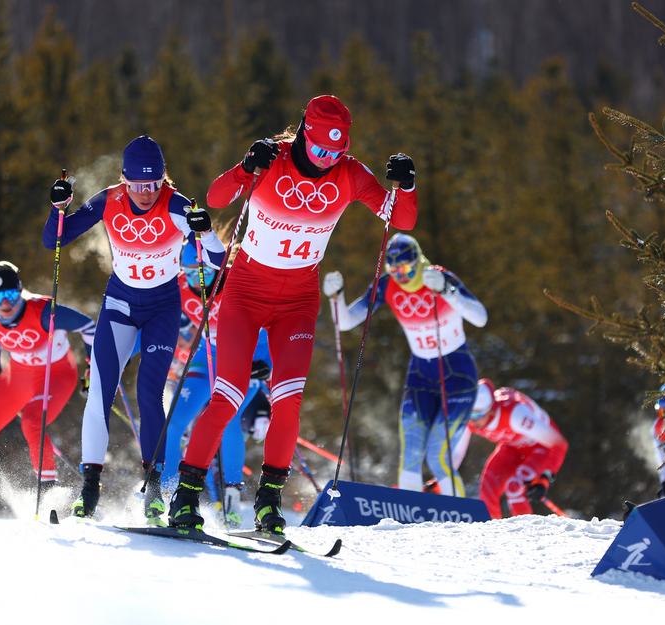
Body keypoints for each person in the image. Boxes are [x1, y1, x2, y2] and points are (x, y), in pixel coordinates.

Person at [167, 94, 419, 533]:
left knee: (288, 402)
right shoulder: (273, 159)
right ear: (303, 134)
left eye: (335, 153)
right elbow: (216, 196)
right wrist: (246, 166)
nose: (326, 161)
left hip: (299, 299)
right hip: (245, 290)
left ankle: (268, 502)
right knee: (227, 396)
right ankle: (185, 496)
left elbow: (402, 219)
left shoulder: (351, 173)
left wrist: (407, 186)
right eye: (320, 150)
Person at [43, 135, 225, 525]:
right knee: (100, 394)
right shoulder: (109, 200)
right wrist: (58, 208)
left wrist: (205, 231)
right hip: (120, 305)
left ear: (163, 180)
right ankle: (89, 491)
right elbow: (53, 239)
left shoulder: (178, 206)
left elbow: (217, 259)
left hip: (162, 309)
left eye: (154, 183)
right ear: (124, 179)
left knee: (149, 393)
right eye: (138, 184)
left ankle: (154, 490)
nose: (146, 192)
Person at [322, 233, 487, 497]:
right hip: (421, 373)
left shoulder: (438, 276)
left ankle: (460, 516)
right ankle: (410, 526)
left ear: (418, 261)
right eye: (393, 269)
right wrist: (336, 297)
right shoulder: (387, 285)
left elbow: (480, 317)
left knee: (437, 456)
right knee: (409, 453)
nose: (401, 275)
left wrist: (447, 290)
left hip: (457, 373)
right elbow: (345, 321)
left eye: (407, 268)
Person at [0, 261, 94, 509]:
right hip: (17, 376)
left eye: (10, 295)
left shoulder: (43, 311)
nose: (5, 304)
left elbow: (88, 325)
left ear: (19, 291)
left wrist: (92, 366)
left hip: (57, 375)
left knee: (31, 422)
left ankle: (50, 498)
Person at [161, 241, 273, 528]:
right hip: (207, 354)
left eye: (201, 272)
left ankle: (231, 500)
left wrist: (264, 364)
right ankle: (165, 493)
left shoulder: (238, 280)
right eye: (186, 272)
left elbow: (267, 322)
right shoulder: (180, 286)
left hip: (243, 357)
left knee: (229, 420)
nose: (194, 280)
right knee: (174, 421)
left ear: (216, 268)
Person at [468, 379, 568, 519]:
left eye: (477, 415)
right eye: (469, 414)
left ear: (490, 410)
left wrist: (545, 477)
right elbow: (452, 451)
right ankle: (492, 538)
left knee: (514, 487)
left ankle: (527, 537)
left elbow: (559, 444)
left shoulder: (515, 415)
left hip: (540, 448)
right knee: (487, 491)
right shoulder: (470, 420)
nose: (472, 421)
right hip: (512, 447)